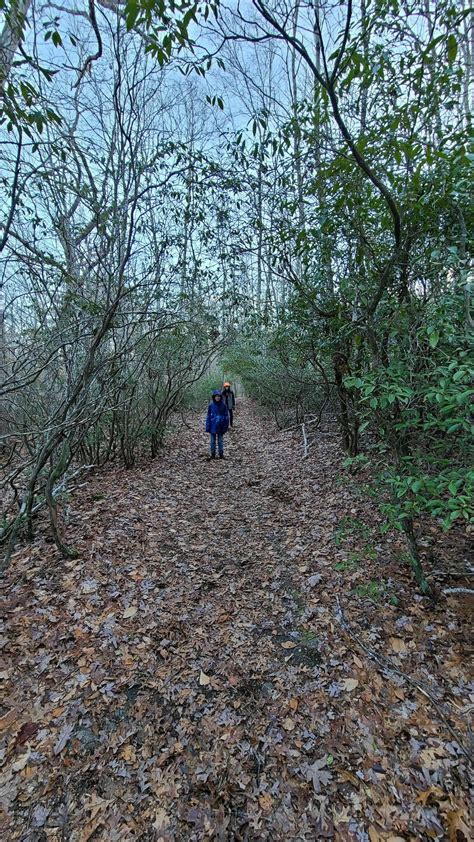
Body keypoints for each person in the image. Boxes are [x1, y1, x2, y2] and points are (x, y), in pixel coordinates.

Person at [205, 389, 229, 459]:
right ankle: (213, 454)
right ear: (214, 397)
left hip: (221, 426)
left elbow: (226, 416)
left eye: (219, 396)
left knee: (220, 441)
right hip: (213, 426)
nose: (217, 397)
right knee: (212, 441)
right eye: (216, 396)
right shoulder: (211, 406)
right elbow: (208, 417)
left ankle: (221, 454)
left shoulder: (223, 405)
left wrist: (225, 426)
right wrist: (208, 426)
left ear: (220, 397)